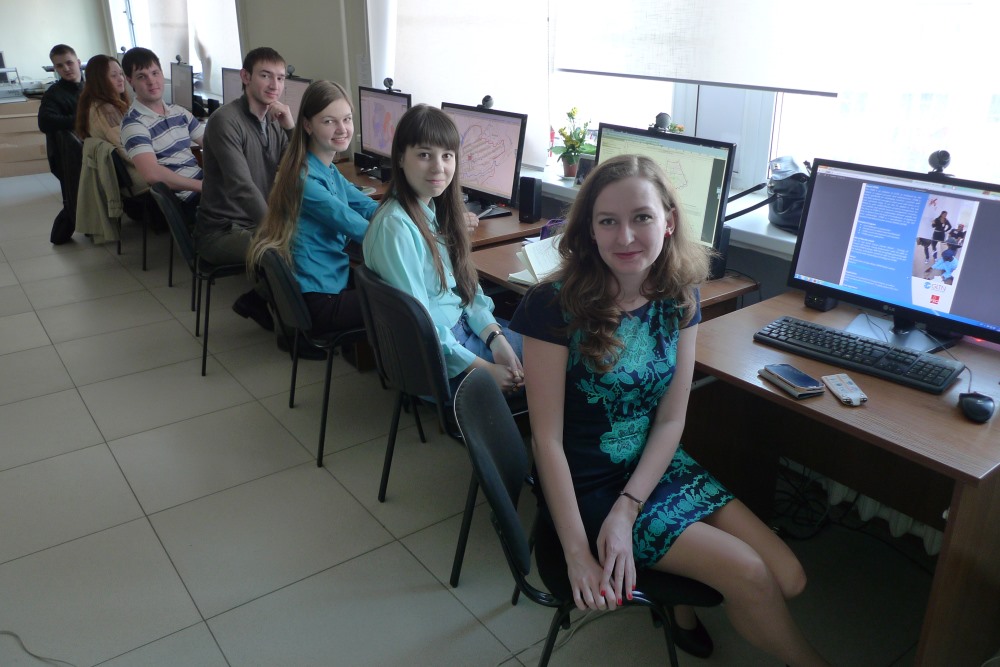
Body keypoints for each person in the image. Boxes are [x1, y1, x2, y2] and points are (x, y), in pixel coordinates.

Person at [510, 155, 831, 666]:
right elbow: (545, 440)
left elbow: (670, 419)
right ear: (589, 229)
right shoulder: (552, 305)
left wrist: (629, 507)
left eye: (642, 217)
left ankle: (677, 605)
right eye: (607, 221)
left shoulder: (679, 296)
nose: (625, 237)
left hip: (652, 467)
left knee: (789, 577)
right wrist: (577, 553)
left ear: (669, 221)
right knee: (750, 574)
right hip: (586, 483)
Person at [363, 104, 522, 395]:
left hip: (461, 336)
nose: (439, 167)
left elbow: (463, 288)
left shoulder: (431, 211)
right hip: (443, 360)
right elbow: (420, 325)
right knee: (560, 364)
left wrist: (495, 337)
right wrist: (484, 370)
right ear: (400, 157)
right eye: (424, 155)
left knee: (548, 349)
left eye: (447, 155)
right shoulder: (396, 228)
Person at [247, 80, 376, 356]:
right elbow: (362, 229)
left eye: (347, 119)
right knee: (406, 301)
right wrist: (425, 234)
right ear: (307, 125)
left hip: (328, 286)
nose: (342, 129)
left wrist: (424, 217)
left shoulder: (324, 167)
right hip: (322, 301)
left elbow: (366, 206)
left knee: (391, 285)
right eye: (329, 121)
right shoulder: (304, 179)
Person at [198, 47, 294, 334]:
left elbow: (298, 167)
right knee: (285, 253)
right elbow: (242, 188)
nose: (274, 85)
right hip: (221, 231)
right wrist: (276, 232)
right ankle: (292, 334)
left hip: (251, 224)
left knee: (310, 241)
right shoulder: (225, 121)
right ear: (245, 77)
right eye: (265, 76)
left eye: (280, 78)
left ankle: (257, 299)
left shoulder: (273, 121)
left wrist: (290, 128)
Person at [119, 46, 203, 221]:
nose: (151, 81)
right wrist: (203, 186)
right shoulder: (134, 124)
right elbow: (153, 174)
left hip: (201, 188)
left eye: (155, 73)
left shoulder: (178, 112)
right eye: (142, 76)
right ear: (130, 81)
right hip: (186, 200)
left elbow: (213, 144)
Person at [74, 54, 145, 190]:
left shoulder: (94, 104)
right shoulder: (108, 111)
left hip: (130, 174)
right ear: (99, 81)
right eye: (113, 76)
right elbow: (129, 151)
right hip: (137, 178)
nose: (121, 79)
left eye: (121, 74)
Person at [38, 44, 84, 244]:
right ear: (54, 68)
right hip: (69, 156)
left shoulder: (93, 87)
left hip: (92, 147)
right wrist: (81, 120)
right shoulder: (54, 93)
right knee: (73, 200)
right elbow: (45, 122)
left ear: (78, 62)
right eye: (59, 66)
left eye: (69, 63)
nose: (66, 68)